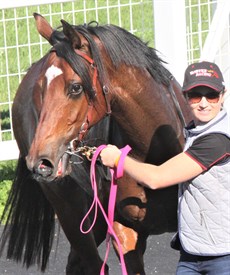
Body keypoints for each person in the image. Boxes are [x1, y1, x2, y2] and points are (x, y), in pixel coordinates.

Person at [100, 61, 230, 275]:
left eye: (212, 95)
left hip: (223, 256)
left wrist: (118, 159)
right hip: (191, 255)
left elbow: (156, 178)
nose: (204, 103)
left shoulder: (217, 140)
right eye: (196, 95)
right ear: (186, 97)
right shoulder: (193, 131)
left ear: (223, 96)